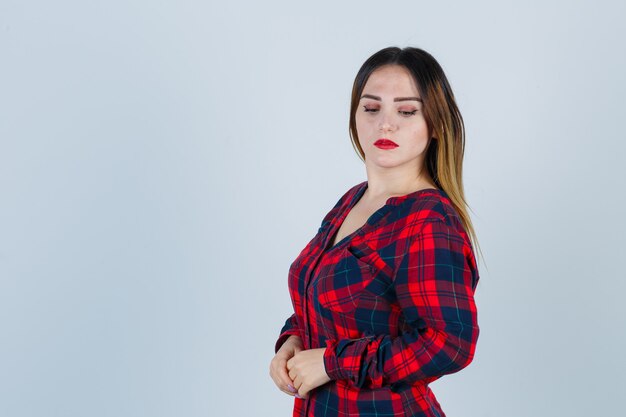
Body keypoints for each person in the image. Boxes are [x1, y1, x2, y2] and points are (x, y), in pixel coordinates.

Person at [269, 46, 482, 417]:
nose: (386, 123)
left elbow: (449, 343)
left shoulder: (429, 220)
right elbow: (327, 296)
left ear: (435, 125)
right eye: (371, 108)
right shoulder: (353, 200)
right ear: (354, 117)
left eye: (406, 111)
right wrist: (294, 338)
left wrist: (331, 363)